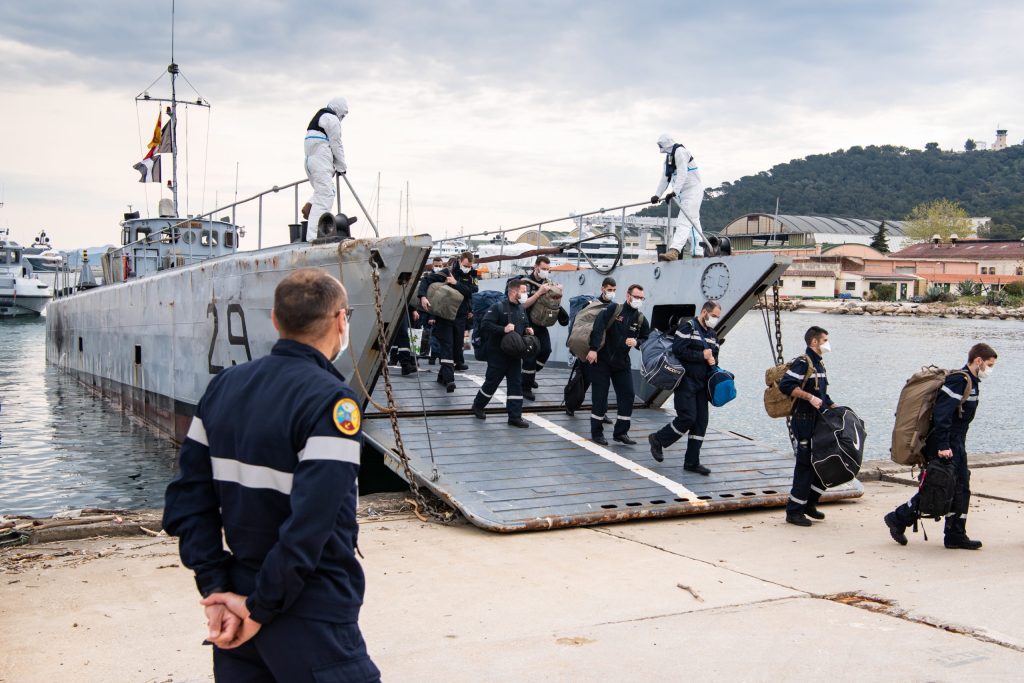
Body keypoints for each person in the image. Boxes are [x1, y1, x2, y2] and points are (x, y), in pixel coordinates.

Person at [162, 268, 380, 681]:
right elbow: (310, 525)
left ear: (276, 321)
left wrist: (217, 590)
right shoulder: (333, 402)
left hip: (238, 600)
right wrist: (260, 607)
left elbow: (188, 499)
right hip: (311, 609)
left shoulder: (223, 387)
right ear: (340, 320)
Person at [884, 344, 998, 549]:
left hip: (957, 441)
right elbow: (941, 415)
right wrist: (944, 446)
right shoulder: (958, 381)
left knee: (960, 487)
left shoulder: (972, 381)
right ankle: (898, 518)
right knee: (938, 487)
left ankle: (955, 534)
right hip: (945, 442)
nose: (990, 369)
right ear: (978, 360)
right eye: (989, 365)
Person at [648, 301, 720, 474]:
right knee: (687, 417)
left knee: (701, 423)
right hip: (686, 381)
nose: (715, 319)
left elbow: (715, 355)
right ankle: (658, 439)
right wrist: (701, 355)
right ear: (704, 312)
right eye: (714, 316)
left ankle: (692, 462)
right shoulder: (687, 327)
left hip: (702, 383)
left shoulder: (712, 335)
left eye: (718, 317)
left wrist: (713, 361)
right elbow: (679, 351)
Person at [778, 326, 834, 526]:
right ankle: (794, 511)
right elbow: (786, 385)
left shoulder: (819, 365)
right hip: (803, 420)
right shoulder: (803, 363)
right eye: (825, 340)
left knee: (823, 463)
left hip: (817, 420)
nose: (828, 343)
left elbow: (823, 395)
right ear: (814, 342)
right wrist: (809, 397)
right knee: (805, 466)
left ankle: (810, 503)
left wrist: (834, 406)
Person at [586, 284, 650, 445]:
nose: (639, 300)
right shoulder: (615, 309)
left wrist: (637, 342)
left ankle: (621, 432)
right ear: (628, 296)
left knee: (628, 395)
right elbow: (598, 326)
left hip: (622, 363)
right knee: (600, 397)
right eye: (636, 297)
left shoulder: (640, 319)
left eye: (641, 298)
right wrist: (593, 349)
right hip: (603, 360)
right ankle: (597, 432)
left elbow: (647, 340)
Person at [471, 279, 534, 428]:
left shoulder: (521, 309)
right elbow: (485, 324)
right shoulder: (497, 307)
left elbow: (524, 324)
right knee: (492, 382)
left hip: (514, 354)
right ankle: (478, 405)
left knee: (516, 385)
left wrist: (527, 330)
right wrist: (503, 329)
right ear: (513, 292)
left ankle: (514, 416)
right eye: (524, 291)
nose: (526, 294)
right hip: (497, 354)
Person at [417, 251, 478, 392]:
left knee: (457, 347)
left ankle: (441, 376)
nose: (467, 268)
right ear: (460, 261)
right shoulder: (447, 272)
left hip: (460, 316)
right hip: (444, 315)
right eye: (465, 265)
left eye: (469, 266)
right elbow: (427, 280)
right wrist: (422, 297)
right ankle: (450, 380)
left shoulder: (473, 275)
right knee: (447, 345)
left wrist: (456, 283)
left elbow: (472, 291)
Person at [650, 134, 705, 261]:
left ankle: (674, 250)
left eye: (660, 145)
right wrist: (657, 195)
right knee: (693, 222)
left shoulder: (681, 152)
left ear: (666, 143)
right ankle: (698, 252)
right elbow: (665, 178)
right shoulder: (668, 158)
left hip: (692, 191)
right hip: (683, 194)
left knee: (684, 220)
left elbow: (683, 173)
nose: (659, 147)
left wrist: (674, 191)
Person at [303, 97, 348, 241]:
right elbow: (336, 143)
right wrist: (342, 166)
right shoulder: (332, 119)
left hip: (311, 162)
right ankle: (313, 238)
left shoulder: (319, 118)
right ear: (339, 110)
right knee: (326, 195)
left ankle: (311, 204)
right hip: (320, 162)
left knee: (325, 191)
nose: (342, 118)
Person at [520, 256, 556, 401]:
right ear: (536, 267)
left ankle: (530, 375)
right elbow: (523, 305)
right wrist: (539, 292)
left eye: (548, 269)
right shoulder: (525, 283)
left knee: (546, 350)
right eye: (543, 269)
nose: (545, 272)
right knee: (530, 354)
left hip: (541, 323)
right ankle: (525, 387)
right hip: (528, 324)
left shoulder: (548, 283)